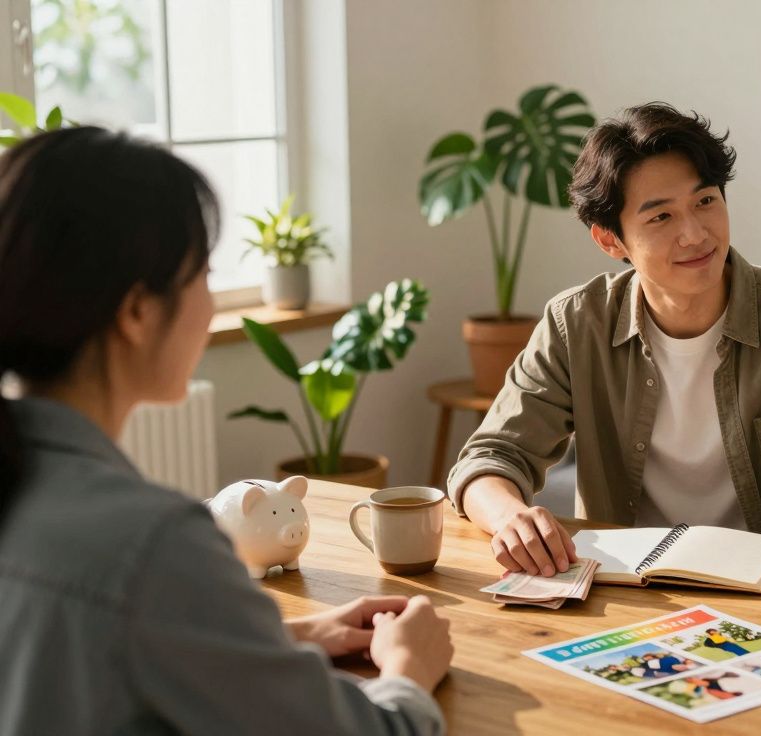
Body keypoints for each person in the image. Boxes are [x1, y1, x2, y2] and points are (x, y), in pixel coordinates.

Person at [0, 128, 454, 734]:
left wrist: (290, 636)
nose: (211, 307)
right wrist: (406, 670)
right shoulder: (151, 543)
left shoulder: (27, 489)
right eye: (205, 276)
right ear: (137, 312)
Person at [449, 102, 761, 575]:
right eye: (661, 218)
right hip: (626, 588)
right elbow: (490, 458)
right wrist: (510, 516)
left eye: (705, 201)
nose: (695, 234)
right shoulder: (575, 325)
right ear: (610, 240)